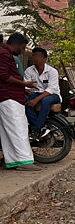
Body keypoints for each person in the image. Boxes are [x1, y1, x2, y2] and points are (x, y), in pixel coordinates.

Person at [0, 33, 41, 171]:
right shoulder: (4, 54)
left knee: (8, 131)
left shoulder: (6, 54)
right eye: (22, 47)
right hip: (9, 97)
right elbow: (4, 76)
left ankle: (12, 161)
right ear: (16, 44)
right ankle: (24, 161)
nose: (23, 51)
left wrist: (23, 88)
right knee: (18, 128)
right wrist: (24, 84)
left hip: (9, 96)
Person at [24, 47, 61, 138]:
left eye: (38, 56)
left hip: (53, 95)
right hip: (37, 93)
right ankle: (42, 127)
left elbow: (51, 89)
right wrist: (27, 90)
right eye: (34, 56)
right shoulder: (29, 70)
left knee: (45, 101)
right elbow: (26, 85)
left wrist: (35, 100)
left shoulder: (52, 71)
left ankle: (36, 129)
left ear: (45, 59)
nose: (35, 58)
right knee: (26, 102)